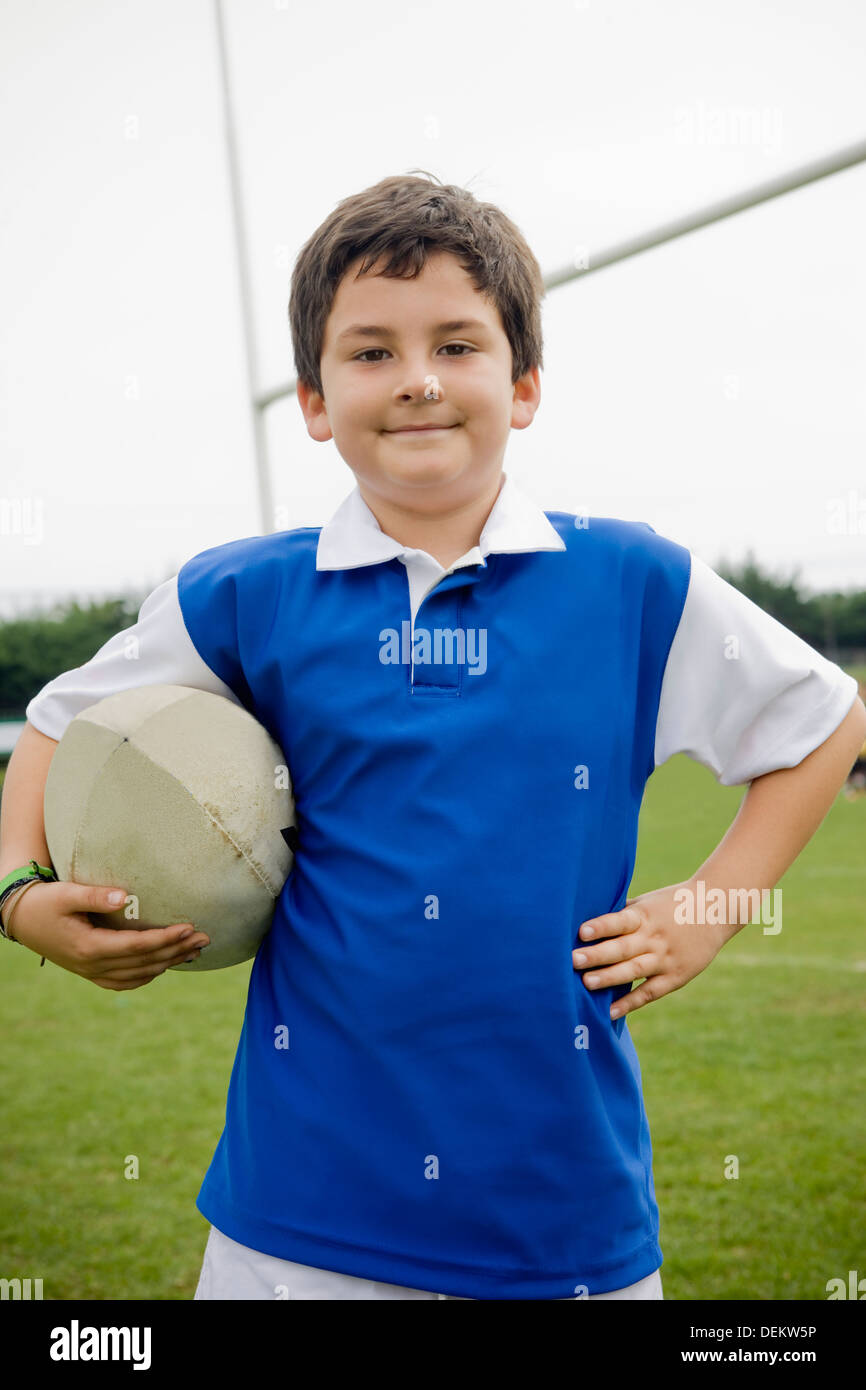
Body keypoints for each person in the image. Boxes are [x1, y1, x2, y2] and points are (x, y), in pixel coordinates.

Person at [2, 172, 864, 1302]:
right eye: (369, 353)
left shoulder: (628, 582)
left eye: (457, 344)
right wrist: (20, 894)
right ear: (312, 399)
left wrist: (706, 907)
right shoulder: (242, 594)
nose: (415, 381)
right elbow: (59, 723)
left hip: (560, 1218)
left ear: (525, 383)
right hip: (294, 1221)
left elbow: (822, 720)